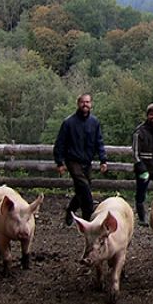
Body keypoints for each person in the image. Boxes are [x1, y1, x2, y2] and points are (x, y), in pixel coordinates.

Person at [53, 93, 108, 225]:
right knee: (84, 188)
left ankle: (71, 210)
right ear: (78, 104)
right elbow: (60, 143)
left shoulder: (94, 122)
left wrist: (103, 160)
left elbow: (99, 142)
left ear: (91, 104)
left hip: (87, 161)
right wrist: (59, 162)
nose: (85, 105)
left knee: (81, 190)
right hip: (73, 160)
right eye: (83, 102)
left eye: (88, 102)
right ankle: (87, 216)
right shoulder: (68, 123)